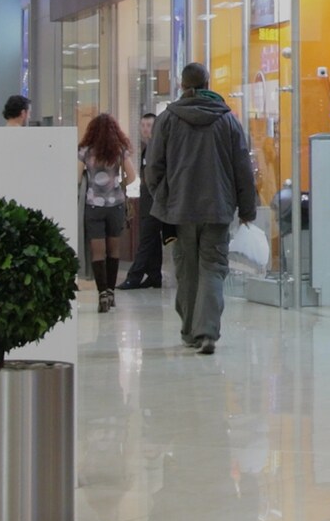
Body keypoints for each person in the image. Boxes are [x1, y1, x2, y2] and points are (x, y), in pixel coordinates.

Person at [141, 63, 256, 355]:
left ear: (182, 85)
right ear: (207, 84)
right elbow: (242, 168)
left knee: (187, 270)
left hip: (179, 210)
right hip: (217, 208)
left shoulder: (167, 120)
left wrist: (163, 197)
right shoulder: (228, 120)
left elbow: (153, 167)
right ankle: (207, 332)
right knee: (213, 268)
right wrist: (247, 209)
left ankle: (190, 331)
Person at [77, 113, 133, 313]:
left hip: (93, 205)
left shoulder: (85, 151)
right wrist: (117, 183)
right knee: (114, 251)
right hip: (115, 205)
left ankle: (101, 293)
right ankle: (111, 292)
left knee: (98, 251)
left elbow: (76, 178)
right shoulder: (119, 150)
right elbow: (132, 176)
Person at [118, 110, 170, 290]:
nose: (145, 129)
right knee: (152, 240)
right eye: (143, 125)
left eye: (149, 125)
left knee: (146, 239)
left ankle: (134, 276)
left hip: (155, 201)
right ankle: (154, 276)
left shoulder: (158, 148)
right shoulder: (147, 149)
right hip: (148, 199)